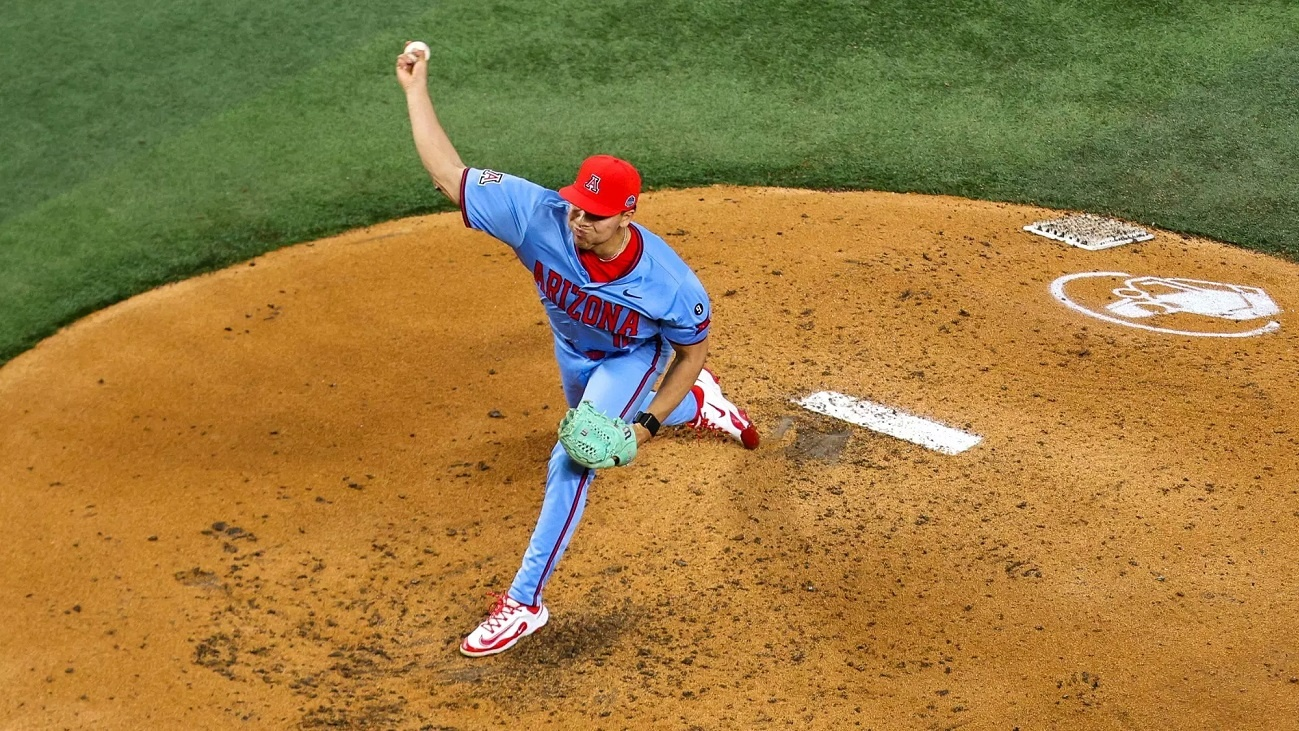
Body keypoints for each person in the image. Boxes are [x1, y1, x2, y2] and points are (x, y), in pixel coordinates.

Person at [396, 43, 760, 658]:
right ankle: (697, 409)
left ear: (627, 213)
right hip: (573, 352)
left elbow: (689, 352)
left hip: (629, 358)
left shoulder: (671, 285)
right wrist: (414, 90)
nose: (577, 222)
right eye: (575, 207)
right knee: (594, 425)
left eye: (594, 214)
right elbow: (448, 177)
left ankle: (523, 603)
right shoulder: (540, 214)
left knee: (573, 457)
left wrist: (641, 427)